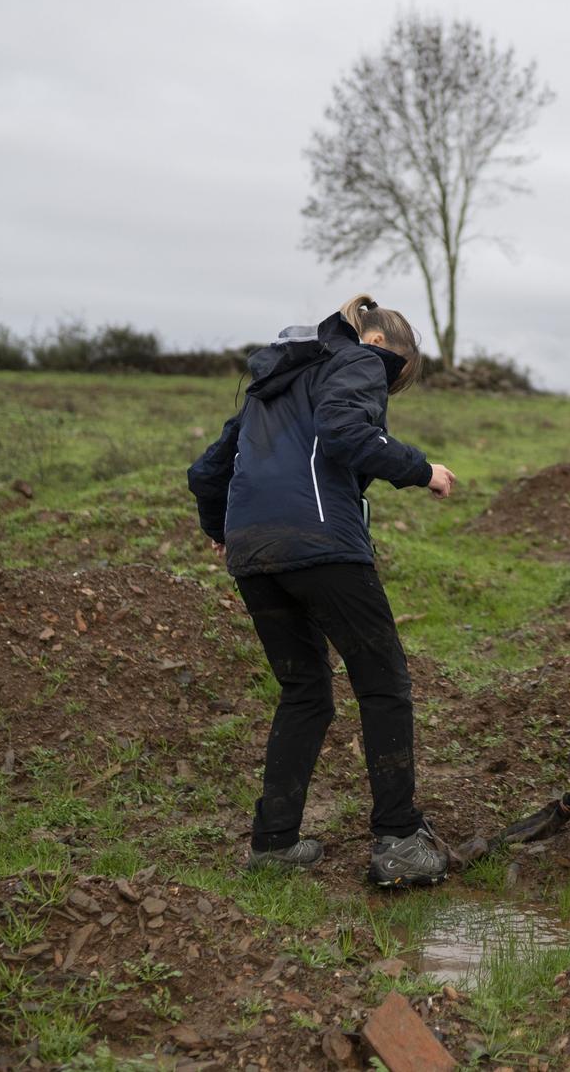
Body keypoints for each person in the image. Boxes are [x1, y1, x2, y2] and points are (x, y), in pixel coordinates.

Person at [186, 294, 457, 888]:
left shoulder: (272, 380)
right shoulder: (359, 359)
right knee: (383, 683)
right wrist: (423, 470)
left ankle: (274, 843)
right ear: (382, 345)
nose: (389, 389)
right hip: (325, 546)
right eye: (397, 378)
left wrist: (223, 530)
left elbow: (207, 472)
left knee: (305, 693)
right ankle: (399, 840)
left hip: (254, 555)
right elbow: (344, 433)